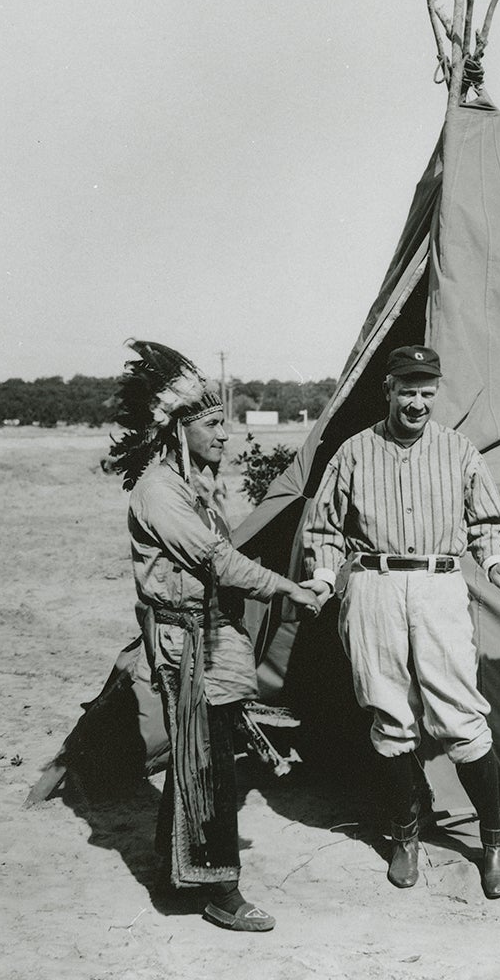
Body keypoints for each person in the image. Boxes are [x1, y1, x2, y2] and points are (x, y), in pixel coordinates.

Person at [108, 340, 320, 932]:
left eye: (223, 423)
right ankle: (219, 887)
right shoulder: (159, 491)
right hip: (184, 640)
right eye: (210, 424)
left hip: (205, 632)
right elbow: (221, 564)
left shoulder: (191, 484)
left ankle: (176, 867)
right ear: (178, 429)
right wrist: (291, 588)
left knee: (200, 751)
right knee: (206, 759)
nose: (223, 435)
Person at [301, 345, 500, 898]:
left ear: (435, 392)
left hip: (438, 584)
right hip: (373, 585)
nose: (417, 403)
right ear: (389, 391)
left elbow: (488, 521)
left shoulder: (459, 450)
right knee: (390, 715)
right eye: (407, 391)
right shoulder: (354, 452)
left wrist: (493, 563)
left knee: (460, 714)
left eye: (426, 392)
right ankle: (406, 836)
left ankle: (495, 839)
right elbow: (324, 528)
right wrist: (324, 580)